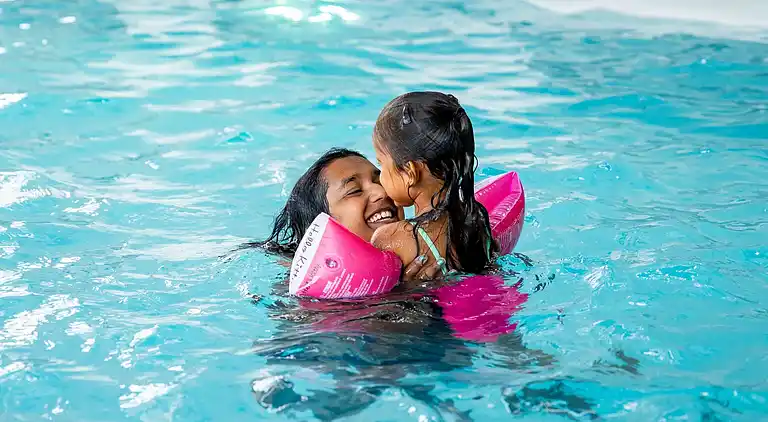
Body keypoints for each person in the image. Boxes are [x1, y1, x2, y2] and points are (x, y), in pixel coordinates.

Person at [247, 147, 440, 281]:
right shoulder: (312, 297)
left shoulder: (433, 246)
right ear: (323, 225)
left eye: (381, 180)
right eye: (355, 190)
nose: (381, 192)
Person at [371, 91, 497, 278]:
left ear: (410, 173)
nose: (381, 178)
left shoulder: (391, 238)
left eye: (381, 163)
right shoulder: (477, 219)